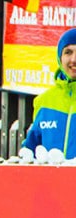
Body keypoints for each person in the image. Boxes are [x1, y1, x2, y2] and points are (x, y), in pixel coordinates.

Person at [21, 27, 76, 156]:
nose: (74, 59)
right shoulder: (44, 101)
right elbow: (32, 148)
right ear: (59, 58)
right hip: (53, 176)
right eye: (68, 52)